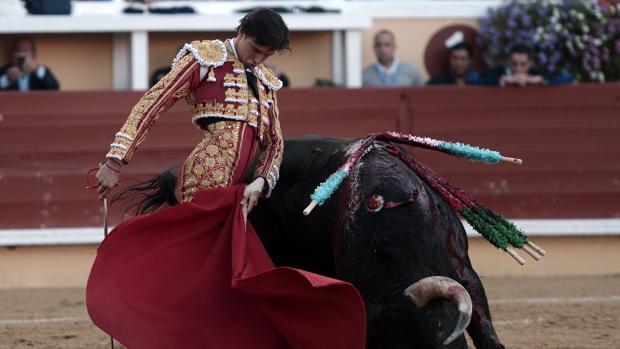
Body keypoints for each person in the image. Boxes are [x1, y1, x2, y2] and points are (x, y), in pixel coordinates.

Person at [89, 8, 365, 349]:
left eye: (266, 54)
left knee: (226, 277)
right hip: (205, 181)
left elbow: (275, 142)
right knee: (195, 272)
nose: (258, 59)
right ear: (241, 31)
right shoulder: (203, 58)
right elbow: (152, 104)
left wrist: (262, 181)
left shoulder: (265, 81)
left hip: (241, 193)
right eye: (256, 49)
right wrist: (115, 161)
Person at [469, 44, 573, 86]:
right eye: (514, 64)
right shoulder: (499, 71)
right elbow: (471, 77)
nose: (519, 69)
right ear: (508, 63)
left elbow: (567, 76)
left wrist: (539, 79)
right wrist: (502, 79)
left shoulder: (536, 72)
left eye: (523, 64)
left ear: (530, 63)